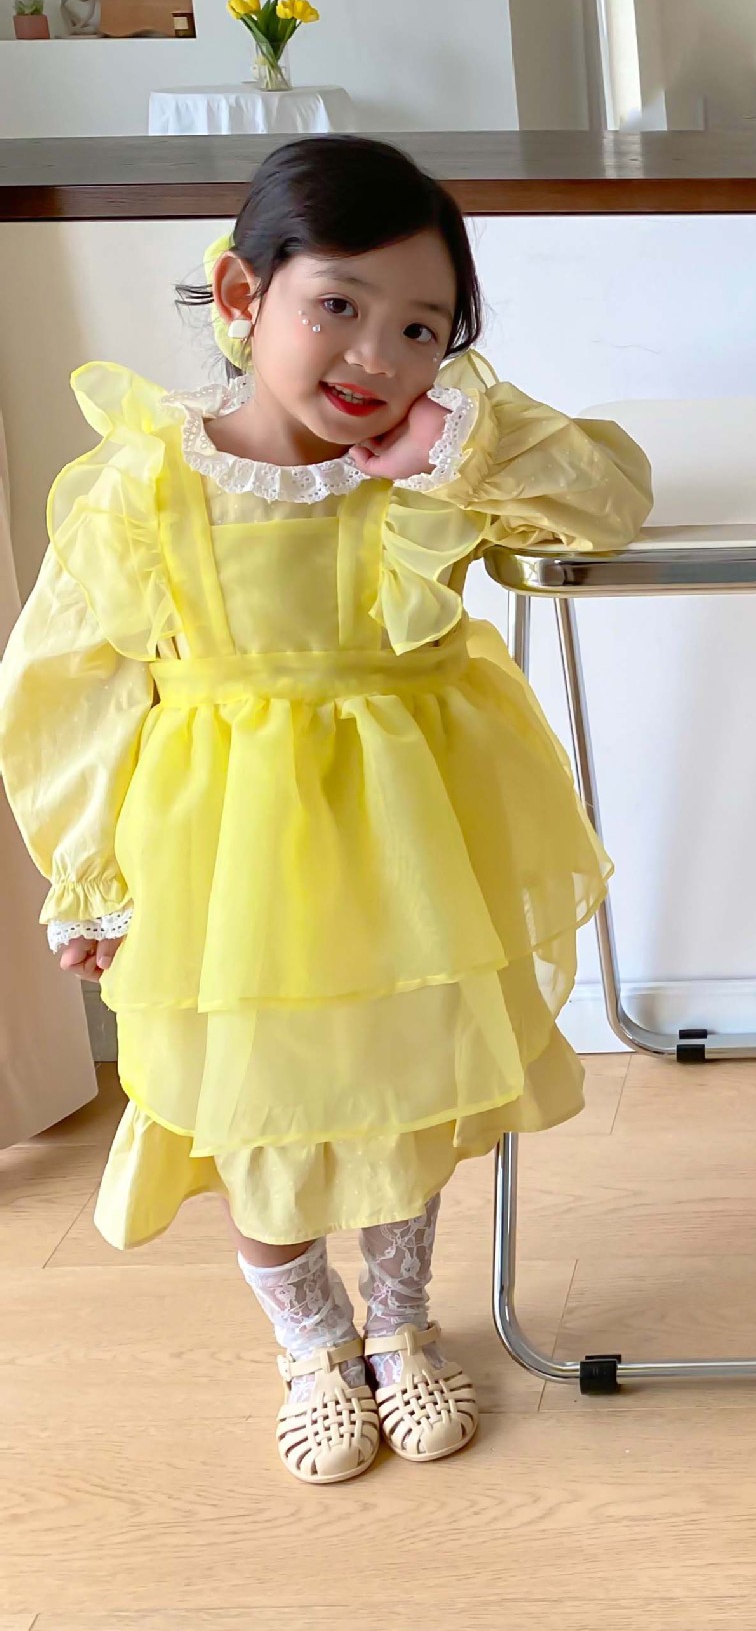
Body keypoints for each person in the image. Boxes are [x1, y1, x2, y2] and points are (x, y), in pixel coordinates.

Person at [0, 137, 653, 1483]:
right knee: (263, 1111)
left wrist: (460, 447)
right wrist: (88, 874)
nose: (375, 356)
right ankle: (311, 1339)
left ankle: (402, 1321)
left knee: (405, 1088)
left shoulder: (435, 468)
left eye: (421, 328)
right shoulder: (149, 484)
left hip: (414, 848)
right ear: (244, 297)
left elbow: (610, 503)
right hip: (227, 864)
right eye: (338, 306)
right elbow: (68, 688)